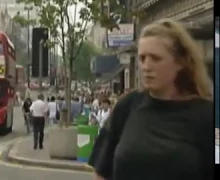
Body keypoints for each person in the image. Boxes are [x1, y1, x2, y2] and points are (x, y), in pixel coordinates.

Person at [88, 19, 213, 180]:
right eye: (142, 58)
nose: (146, 66)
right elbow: (102, 172)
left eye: (155, 58)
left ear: (180, 62)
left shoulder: (206, 116)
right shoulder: (128, 106)